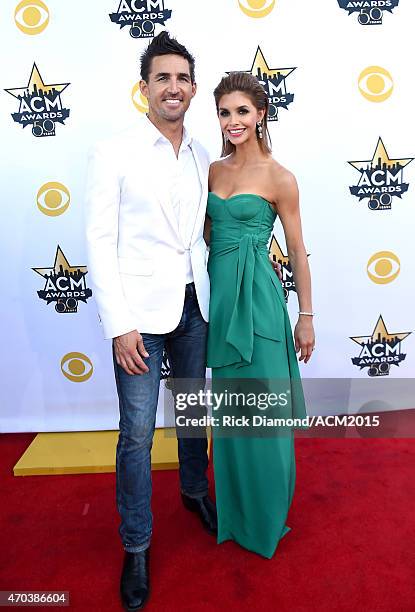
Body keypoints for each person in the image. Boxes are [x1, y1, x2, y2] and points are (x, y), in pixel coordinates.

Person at [85, 32, 217, 611]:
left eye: (183, 78)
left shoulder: (202, 154)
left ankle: (194, 491)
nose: (174, 87)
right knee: (136, 435)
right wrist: (119, 324)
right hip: (140, 315)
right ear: (144, 88)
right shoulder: (112, 151)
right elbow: (100, 241)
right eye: (162, 77)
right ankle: (136, 544)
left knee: (192, 412)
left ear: (192, 89)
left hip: (196, 307)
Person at [205, 71, 315, 559]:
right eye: (225, 112)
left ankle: (266, 519)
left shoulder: (279, 177)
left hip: (264, 306)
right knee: (231, 417)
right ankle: (235, 517)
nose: (233, 121)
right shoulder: (211, 170)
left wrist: (306, 315)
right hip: (224, 304)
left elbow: (296, 249)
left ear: (261, 114)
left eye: (242, 111)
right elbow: (207, 234)